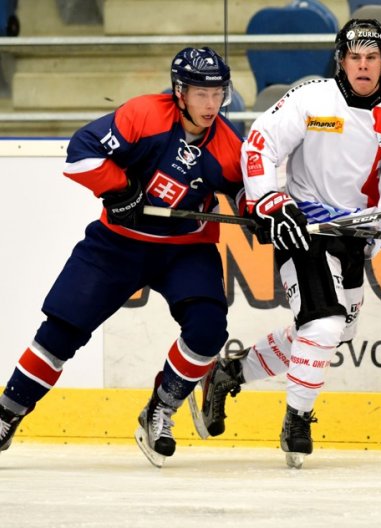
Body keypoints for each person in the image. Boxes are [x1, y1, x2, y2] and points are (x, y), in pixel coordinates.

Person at [189, 19, 381, 469]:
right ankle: (297, 420)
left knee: (338, 331)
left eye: (372, 58)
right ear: (341, 59)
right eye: (354, 57)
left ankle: (227, 373)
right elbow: (258, 147)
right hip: (301, 230)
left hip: (353, 238)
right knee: (322, 327)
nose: (363, 66)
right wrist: (271, 202)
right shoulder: (312, 98)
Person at [0, 47, 245, 467]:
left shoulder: (226, 145)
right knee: (60, 332)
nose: (211, 104)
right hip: (118, 244)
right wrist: (119, 189)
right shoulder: (144, 115)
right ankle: (8, 411)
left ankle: (160, 408)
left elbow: (246, 197)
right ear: (179, 91)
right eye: (201, 93)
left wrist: (265, 214)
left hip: (186, 249)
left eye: (218, 93)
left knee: (208, 331)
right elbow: (81, 151)